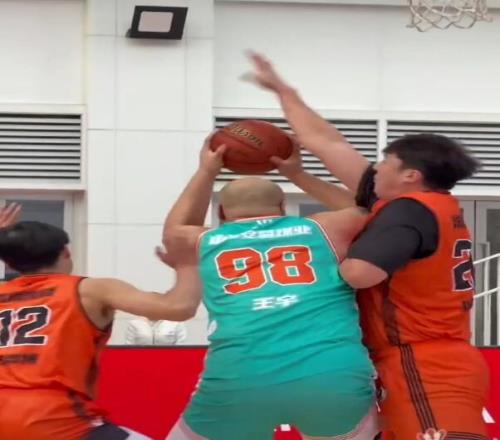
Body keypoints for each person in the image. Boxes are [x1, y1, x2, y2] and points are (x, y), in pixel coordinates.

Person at [245, 52, 490, 440]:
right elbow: (328, 143)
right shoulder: (423, 206)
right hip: (423, 356)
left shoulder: (408, 211)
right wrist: (283, 93)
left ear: (410, 175)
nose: (375, 167)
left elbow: (359, 274)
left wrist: (319, 263)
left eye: (385, 160)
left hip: (424, 360)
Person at [162, 142, 378, 440]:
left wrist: (206, 171)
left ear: (221, 212)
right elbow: (371, 211)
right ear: (283, 208)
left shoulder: (204, 240)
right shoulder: (325, 228)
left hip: (239, 379)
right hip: (332, 375)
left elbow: (176, 228)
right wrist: (297, 174)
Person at [0, 220, 200, 440]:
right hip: (54, 416)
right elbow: (178, 307)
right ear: (66, 252)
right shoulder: (90, 290)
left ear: (9, 263)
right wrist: (188, 264)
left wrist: (7, 240)